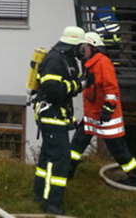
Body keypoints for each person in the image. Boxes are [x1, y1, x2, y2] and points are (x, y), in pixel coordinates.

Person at [68, 31, 136, 186]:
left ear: (93, 48)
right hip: (92, 114)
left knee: (119, 151)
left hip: (106, 117)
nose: (83, 51)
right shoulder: (89, 64)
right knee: (77, 145)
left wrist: (107, 110)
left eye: (85, 47)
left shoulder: (103, 63)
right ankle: (67, 171)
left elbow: (112, 90)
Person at [33, 25, 88, 216]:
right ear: (73, 44)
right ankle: (52, 202)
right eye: (81, 46)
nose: (82, 51)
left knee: (48, 155)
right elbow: (53, 90)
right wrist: (77, 85)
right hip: (52, 115)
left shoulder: (66, 58)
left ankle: (40, 193)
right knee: (61, 158)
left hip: (57, 116)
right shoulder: (55, 60)